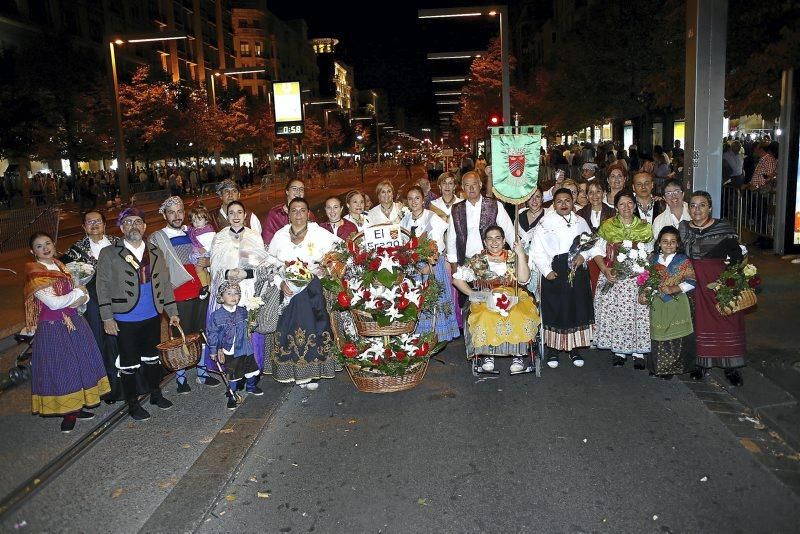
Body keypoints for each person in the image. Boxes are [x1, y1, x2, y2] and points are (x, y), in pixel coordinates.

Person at [96, 208, 180, 421]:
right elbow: (102, 286)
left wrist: (172, 312)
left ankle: (155, 394)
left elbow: (165, 284)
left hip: (152, 314)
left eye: (138, 222)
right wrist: (107, 317)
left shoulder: (154, 250)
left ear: (144, 226)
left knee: (153, 360)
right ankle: (132, 404)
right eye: (128, 222)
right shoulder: (109, 253)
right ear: (122, 227)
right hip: (125, 318)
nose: (134, 225)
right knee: (129, 364)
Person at [25, 232, 110, 433]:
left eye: (47, 243)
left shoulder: (61, 265)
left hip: (74, 321)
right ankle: (68, 413)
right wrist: (79, 292)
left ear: (54, 244)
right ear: (32, 252)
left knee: (80, 365)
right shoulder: (36, 273)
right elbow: (54, 303)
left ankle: (78, 406)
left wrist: (82, 296)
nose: (45, 248)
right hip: (54, 328)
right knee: (63, 368)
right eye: (39, 246)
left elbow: (83, 298)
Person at [266, 198, 341, 389]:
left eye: (302, 211)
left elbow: (340, 251)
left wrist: (327, 267)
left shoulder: (319, 233)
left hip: (313, 289)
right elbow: (269, 263)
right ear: (288, 214)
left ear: (308, 213)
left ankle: (314, 372)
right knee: (288, 326)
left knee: (312, 323)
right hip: (286, 290)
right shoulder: (280, 236)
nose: (298, 215)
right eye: (294, 211)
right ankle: (292, 371)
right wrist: (281, 282)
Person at [150, 197, 220, 393]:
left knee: (201, 334)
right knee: (179, 337)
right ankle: (181, 378)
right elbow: (158, 273)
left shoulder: (192, 233)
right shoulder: (158, 238)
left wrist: (207, 261)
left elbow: (206, 254)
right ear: (164, 215)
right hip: (177, 296)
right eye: (171, 212)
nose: (176, 216)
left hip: (200, 292)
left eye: (180, 211)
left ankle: (202, 373)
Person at [679, 191, 747, 386]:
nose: (697, 209)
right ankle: (700, 364)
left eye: (702, 205)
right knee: (698, 323)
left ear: (710, 208)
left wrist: (731, 279)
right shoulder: (682, 228)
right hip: (693, 282)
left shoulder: (723, 227)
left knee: (727, 320)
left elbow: (736, 255)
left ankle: (731, 367)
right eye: (693, 205)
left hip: (719, 283)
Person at [60, 211, 129, 401]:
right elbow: (65, 278)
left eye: (97, 221)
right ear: (84, 227)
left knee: (122, 341)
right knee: (100, 343)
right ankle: (107, 388)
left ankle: (127, 382)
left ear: (105, 224)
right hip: (93, 304)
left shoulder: (119, 243)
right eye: (89, 222)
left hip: (121, 301)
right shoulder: (75, 250)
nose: (94, 225)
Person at [452, 225, 540, 373]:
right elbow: (457, 280)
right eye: (490, 238)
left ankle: (517, 355)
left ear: (504, 240)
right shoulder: (477, 260)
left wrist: (520, 254)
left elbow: (524, 279)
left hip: (514, 295)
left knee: (518, 314)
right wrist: (473, 295)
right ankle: (488, 355)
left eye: (497, 238)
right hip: (486, 295)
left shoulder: (513, 256)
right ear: (485, 242)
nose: (494, 242)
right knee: (486, 315)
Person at [529, 189, 595, 368]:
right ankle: (553, 349)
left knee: (575, 307)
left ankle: (574, 349)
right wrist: (546, 270)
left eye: (567, 200)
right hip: (555, 270)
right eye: (559, 201)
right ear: (553, 203)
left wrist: (584, 256)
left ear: (573, 202)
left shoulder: (580, 221)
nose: (564, 204)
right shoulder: (545, 222)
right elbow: (537, 250)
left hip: (577, 270)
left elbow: (590, 243)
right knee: (555, 308)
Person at [592, 189, 654, 368]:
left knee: (638, 313)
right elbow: (596, 250)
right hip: (615, 278)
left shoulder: (644, 226)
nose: (626, 207)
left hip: (637, 279)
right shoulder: (608, 226)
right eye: (621, 204)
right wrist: (604, 270)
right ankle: (619, 350)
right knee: (617, 314)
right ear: (616, 207)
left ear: (635, 206)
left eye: (629, 203)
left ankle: (639, 352)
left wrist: (645, 275)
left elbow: (650, 253)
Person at [207, 200, 266, 373]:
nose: (236, 216)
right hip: (227, 290)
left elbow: (261, 267)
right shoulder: (220, 237)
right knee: (228, 331)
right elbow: (215, 266)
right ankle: (232, 371)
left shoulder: (254, 236)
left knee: (247, 327)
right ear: (227, 216)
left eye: (239, 212)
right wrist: (228, 274)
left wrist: (244, 274)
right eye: (231, 213)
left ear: (245, 215)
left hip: (248, 289)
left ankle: (251, 373)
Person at [401, 186, 460, 342]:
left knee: (433, 301)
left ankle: (436, 336)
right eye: (410, 199)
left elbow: (439, 245)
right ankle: (419, 338)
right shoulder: (405, 219)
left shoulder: (432, 217)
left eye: (417, 198)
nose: (414, 202)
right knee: (417, 302)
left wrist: (430, 265)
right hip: (413, 268)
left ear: (423, 200)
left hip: (431, 265)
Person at [640, 226, 696, 380]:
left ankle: (670, 369)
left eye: (673, 241)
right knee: (656, 334)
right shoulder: (652, 259)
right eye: (665, 241)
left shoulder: (683, 261)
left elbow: (692, 281)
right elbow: (644, 279)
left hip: (677, 303)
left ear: (678, 244)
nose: (669, 244)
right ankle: (655, 367)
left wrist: (674, 288)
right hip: (656, 303)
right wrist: (644, 292)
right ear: (659, 243)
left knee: (673, 335)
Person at [206, 281, 259, 409]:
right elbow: (213, 333)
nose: (233, 296)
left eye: (236, 293)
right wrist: (213, 350)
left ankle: (251, 387)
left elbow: (250, 325)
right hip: (230, 350)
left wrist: (253, 324)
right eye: (229, 293)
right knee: (233, 374)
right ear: (221, 297)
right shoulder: (217, 316)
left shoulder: (243, 311)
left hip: (245, 347)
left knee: (251, 369)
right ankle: (232, 395)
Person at [446, 171, 515, 269]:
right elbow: (451, 239)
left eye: (474, 184)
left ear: (480, 185)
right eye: (467, 185)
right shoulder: (456, 209)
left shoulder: (495, 205)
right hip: (466, 264)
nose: (471, 188)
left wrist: (518, 255)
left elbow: (509, 232)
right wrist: (454, 266)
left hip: (493, 263)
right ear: (462, 187)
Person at [577, 181, 616, 292]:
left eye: (598, 192)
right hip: (586, 258)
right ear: (587, 195)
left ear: (603, 193)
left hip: (606, 258)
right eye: (591, 192)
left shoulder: (612, 213)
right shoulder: (580, 214)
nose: (595, 196)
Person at [261, 178, 315, 245]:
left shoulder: (309, 214)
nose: (298, 191)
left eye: (301, 189)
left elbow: (314, 237)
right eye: (294, 188)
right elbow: (267, 239)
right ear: (287, 191)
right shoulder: (276, 213)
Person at [187, 205, 216, 298]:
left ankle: (204, 286)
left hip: (205, 252)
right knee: (204, 270)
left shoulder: (208, 230)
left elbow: (213, 242)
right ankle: (209, 285)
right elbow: (189, 229)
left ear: (206, 219)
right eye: (194, 220)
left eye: (199, 219)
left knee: (199, 268)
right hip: (199, 252)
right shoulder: (195, 230)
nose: (197, 222)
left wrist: (205, 249)